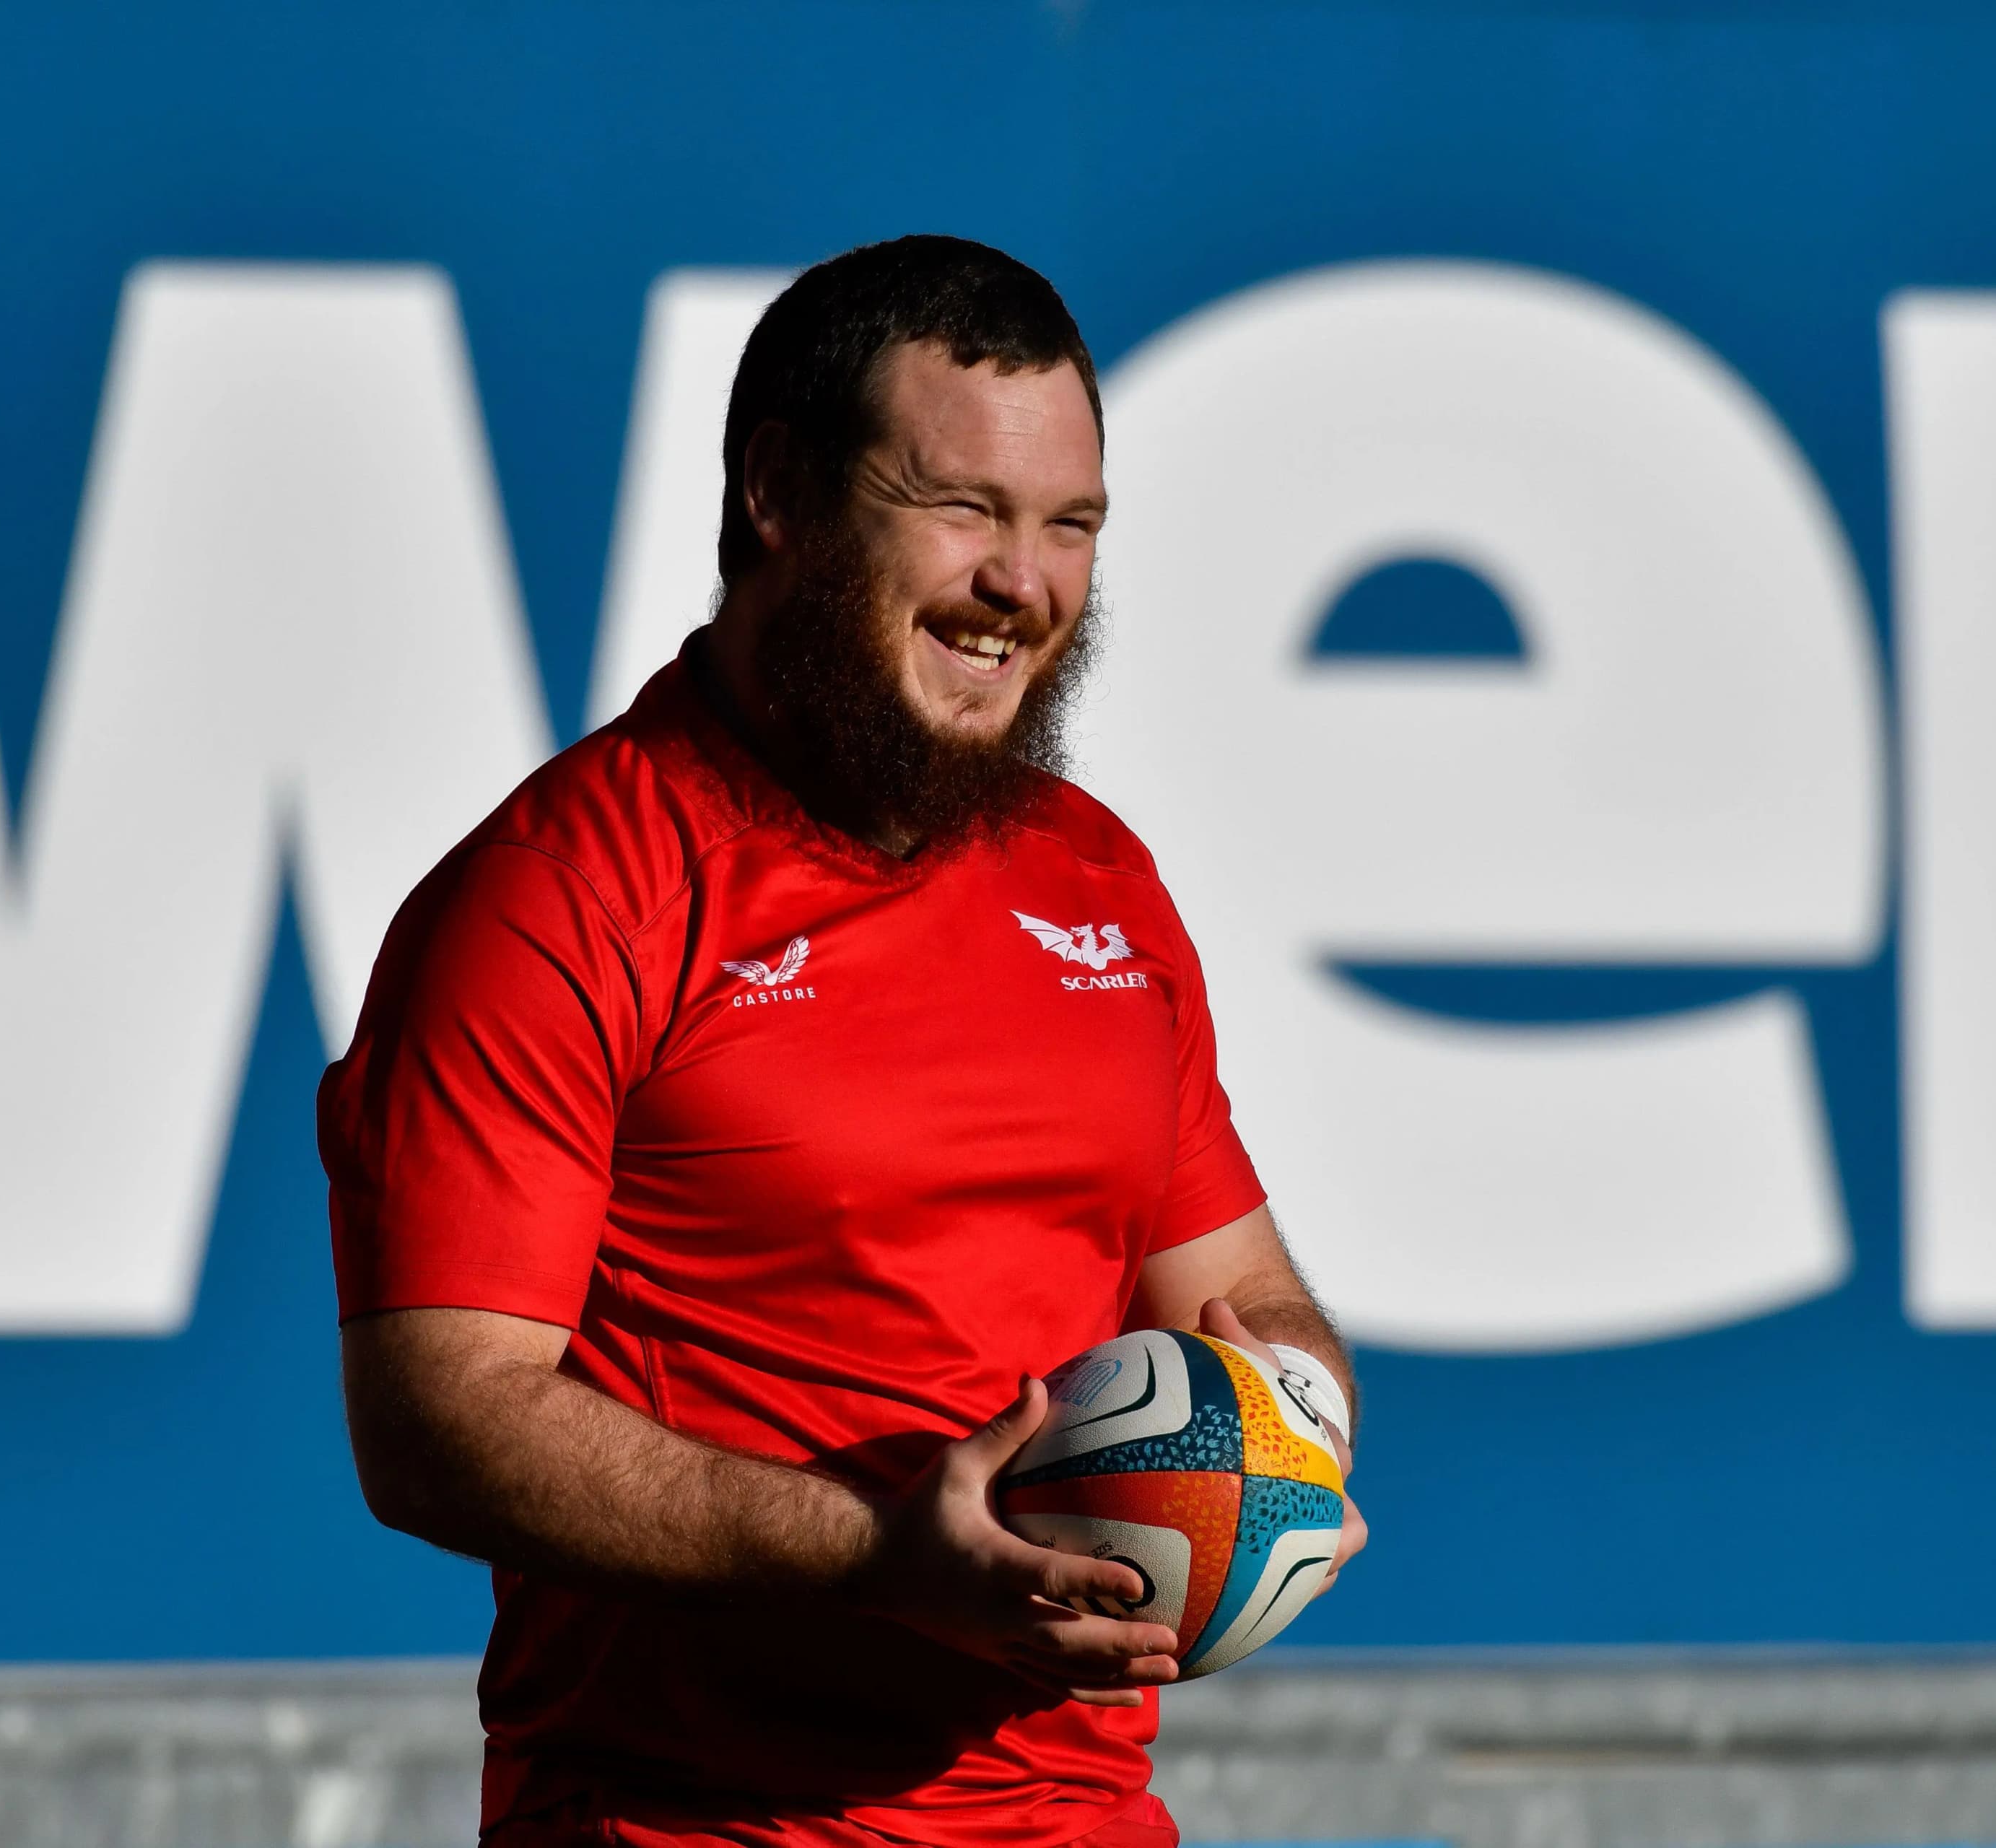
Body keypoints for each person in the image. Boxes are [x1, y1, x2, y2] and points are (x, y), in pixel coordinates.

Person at [318, 234, 1366, 1848]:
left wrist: (1287, 1448)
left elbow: (1251, 1294)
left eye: (1070, 523)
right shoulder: (556, 896)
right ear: (780, 493)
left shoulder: (1101, 883)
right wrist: (876, 1549)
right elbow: (437, 1417)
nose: (1024, 584)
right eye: (965, 509)